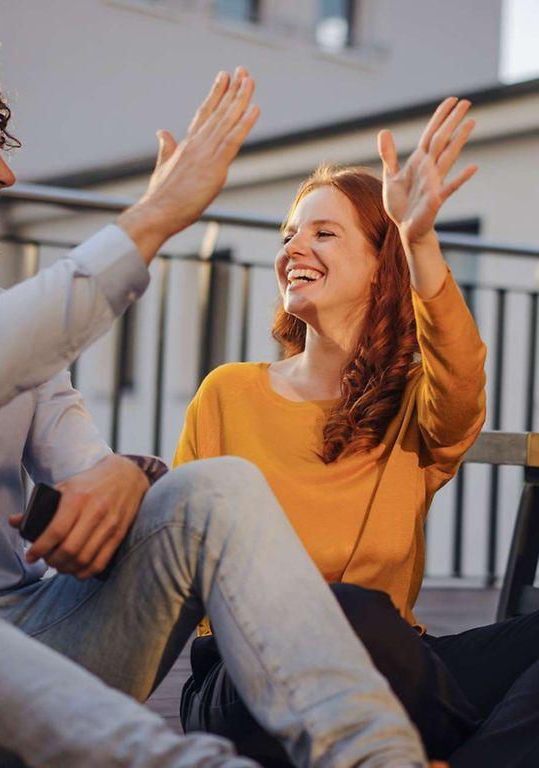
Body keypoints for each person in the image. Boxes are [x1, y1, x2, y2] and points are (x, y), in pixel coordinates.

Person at [0, 30, 432, 768]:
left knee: (217, 488)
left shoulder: (4, 320)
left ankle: (378, 759)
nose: (5, 172)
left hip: (37, 650)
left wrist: (127, 476)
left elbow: (85, 463)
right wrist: (150, 220)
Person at [176, 97, 539, 767]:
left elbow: (462, 387)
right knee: (346, 611)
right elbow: (176, 556)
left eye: (323, 233)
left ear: (382, 265)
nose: (293, 248)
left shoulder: (413, 407)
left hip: (396, 665)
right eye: (290, 233)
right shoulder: (227, 393)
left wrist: (420, 238)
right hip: (245, 677)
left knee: (369, 621)